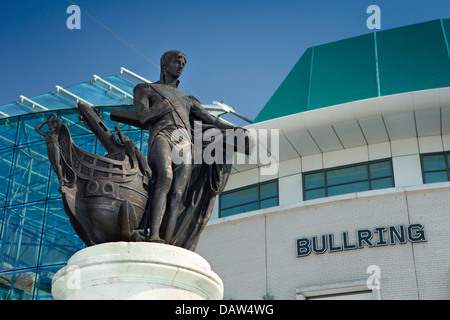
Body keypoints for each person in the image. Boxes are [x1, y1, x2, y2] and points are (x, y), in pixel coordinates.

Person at [134, 50, 240, 244]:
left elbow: (211, 119)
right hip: (162, 135)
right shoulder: (145, 89)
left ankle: (168, 239)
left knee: (178, 192)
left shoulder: (186, 99)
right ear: (164, 65)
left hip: (183, 140)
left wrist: (236, 129)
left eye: (183, 63)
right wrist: (162, 107)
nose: (181, 66)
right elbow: (143, 116)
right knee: (165, 177)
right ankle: (154, 234)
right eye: (177, 62)